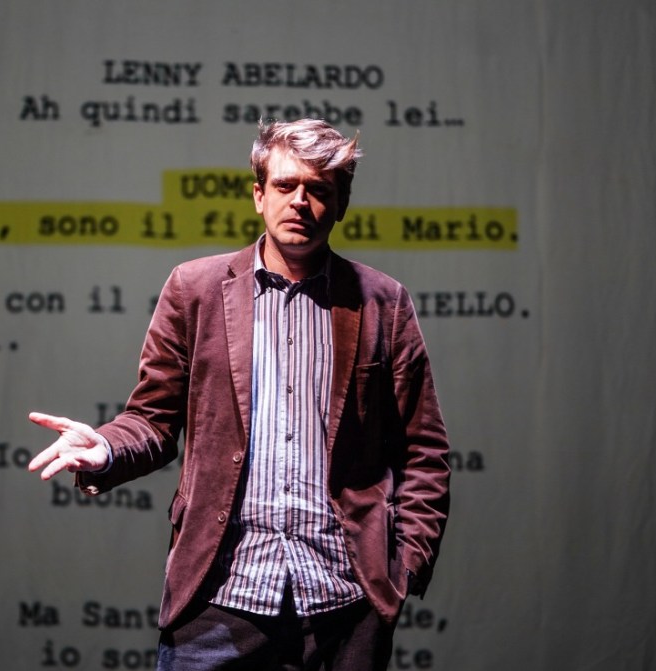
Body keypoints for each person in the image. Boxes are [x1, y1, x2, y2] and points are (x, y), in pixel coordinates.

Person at [28, 118, 451, 670]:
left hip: (344, 604)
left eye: (318, 190)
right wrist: (105, 448)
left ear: (341, 204)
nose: (299, 202)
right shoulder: (195, 289)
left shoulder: (382, 303)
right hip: (220, 599)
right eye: (285, 185)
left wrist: (404, 566)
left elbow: (423, 450)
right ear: (258, 195)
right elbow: (153, 420)